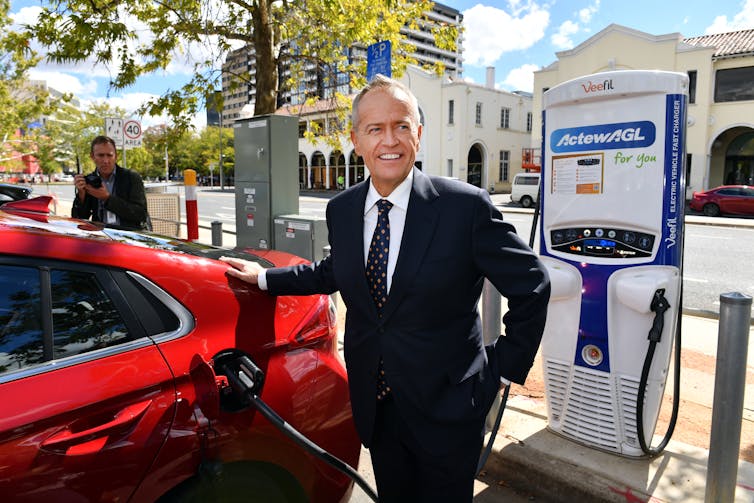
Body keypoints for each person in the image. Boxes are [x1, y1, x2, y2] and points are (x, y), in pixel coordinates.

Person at [220, 75, 550, 502]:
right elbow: (333, 272)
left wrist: (502, 368)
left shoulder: (463, 207)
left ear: (419, 133)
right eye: (375, 129)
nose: (389, 140)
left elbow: (533, 285)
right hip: (377, 407)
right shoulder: (342, 210)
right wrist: (264, 277)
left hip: (448, 410)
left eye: (401, 125)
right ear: (357, 140)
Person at [72, 135, 150, 230]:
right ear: (92, 157)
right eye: (100, 155)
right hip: (102, 237)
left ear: (116, 156)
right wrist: (81, 195)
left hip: (127, 236)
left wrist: (107, 198)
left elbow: (140, 214)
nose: (105, 161)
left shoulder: (131, 177)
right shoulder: (90, 181)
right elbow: (78, 219)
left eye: (109, 155)